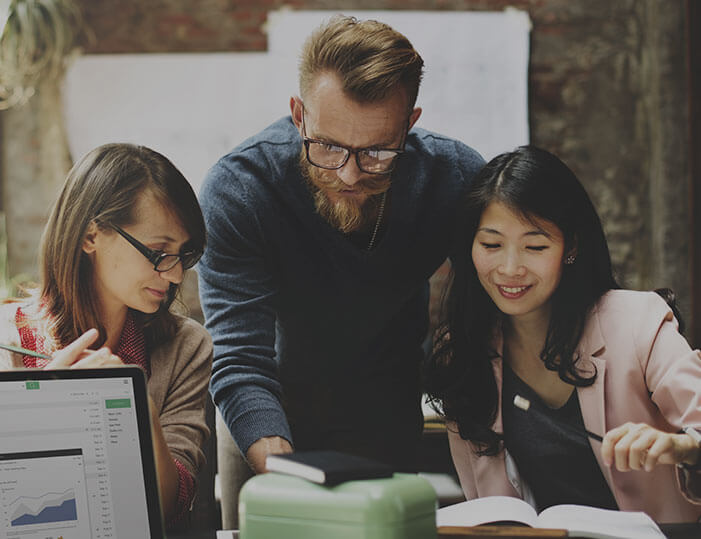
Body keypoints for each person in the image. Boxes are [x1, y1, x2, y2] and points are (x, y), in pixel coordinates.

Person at [198, 14, 484, 518]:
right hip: (264, 410)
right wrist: (278, 462)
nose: (349, 174)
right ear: (298, 114)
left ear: (410, 124)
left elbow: (497, 307)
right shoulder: (240, 191)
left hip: (387, 412)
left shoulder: (454, 179)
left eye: (377, 152)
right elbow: (239, 358)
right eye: (328, 146)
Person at [424, 145, 701, 522]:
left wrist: (683, 446)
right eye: (491, 244)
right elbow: (485, 508)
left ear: (570, 246)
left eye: (534, 246)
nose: (509, 268)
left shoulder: (637, 323)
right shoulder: (462, 352)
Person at [0, 143, 213, 528]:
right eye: (158, 251)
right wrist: (47, 409)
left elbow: (170, 509)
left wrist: (137, 406)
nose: (177, 275)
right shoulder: (6, 343)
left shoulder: (186, 348)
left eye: (183, 254)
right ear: (89, 235)